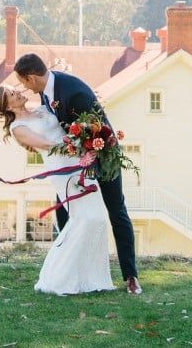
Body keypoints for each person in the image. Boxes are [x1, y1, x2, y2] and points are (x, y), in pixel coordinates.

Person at [13, 52, 142, 295]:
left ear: (31, 78)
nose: (25, 88)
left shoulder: (74, 91)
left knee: (116, 210)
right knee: (64, 210)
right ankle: (70, 270)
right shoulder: (45, 92)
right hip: (74, 162)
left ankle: (131, 277)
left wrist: (88, 157)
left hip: (103, 156)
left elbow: (98, 129)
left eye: (23, 83)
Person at [0, 85, 114, 295]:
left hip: (79, 162)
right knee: (84, 217)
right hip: (62, 170)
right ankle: (58, 277)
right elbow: (47, 145)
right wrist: (76, 146)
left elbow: (65, 124)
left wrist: (85, 136)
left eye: (15, 90)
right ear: (7, 106)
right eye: (12, 94)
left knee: (97, 218)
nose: (18, 92)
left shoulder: (43, 109)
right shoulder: (18, 128)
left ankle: (91, 278)